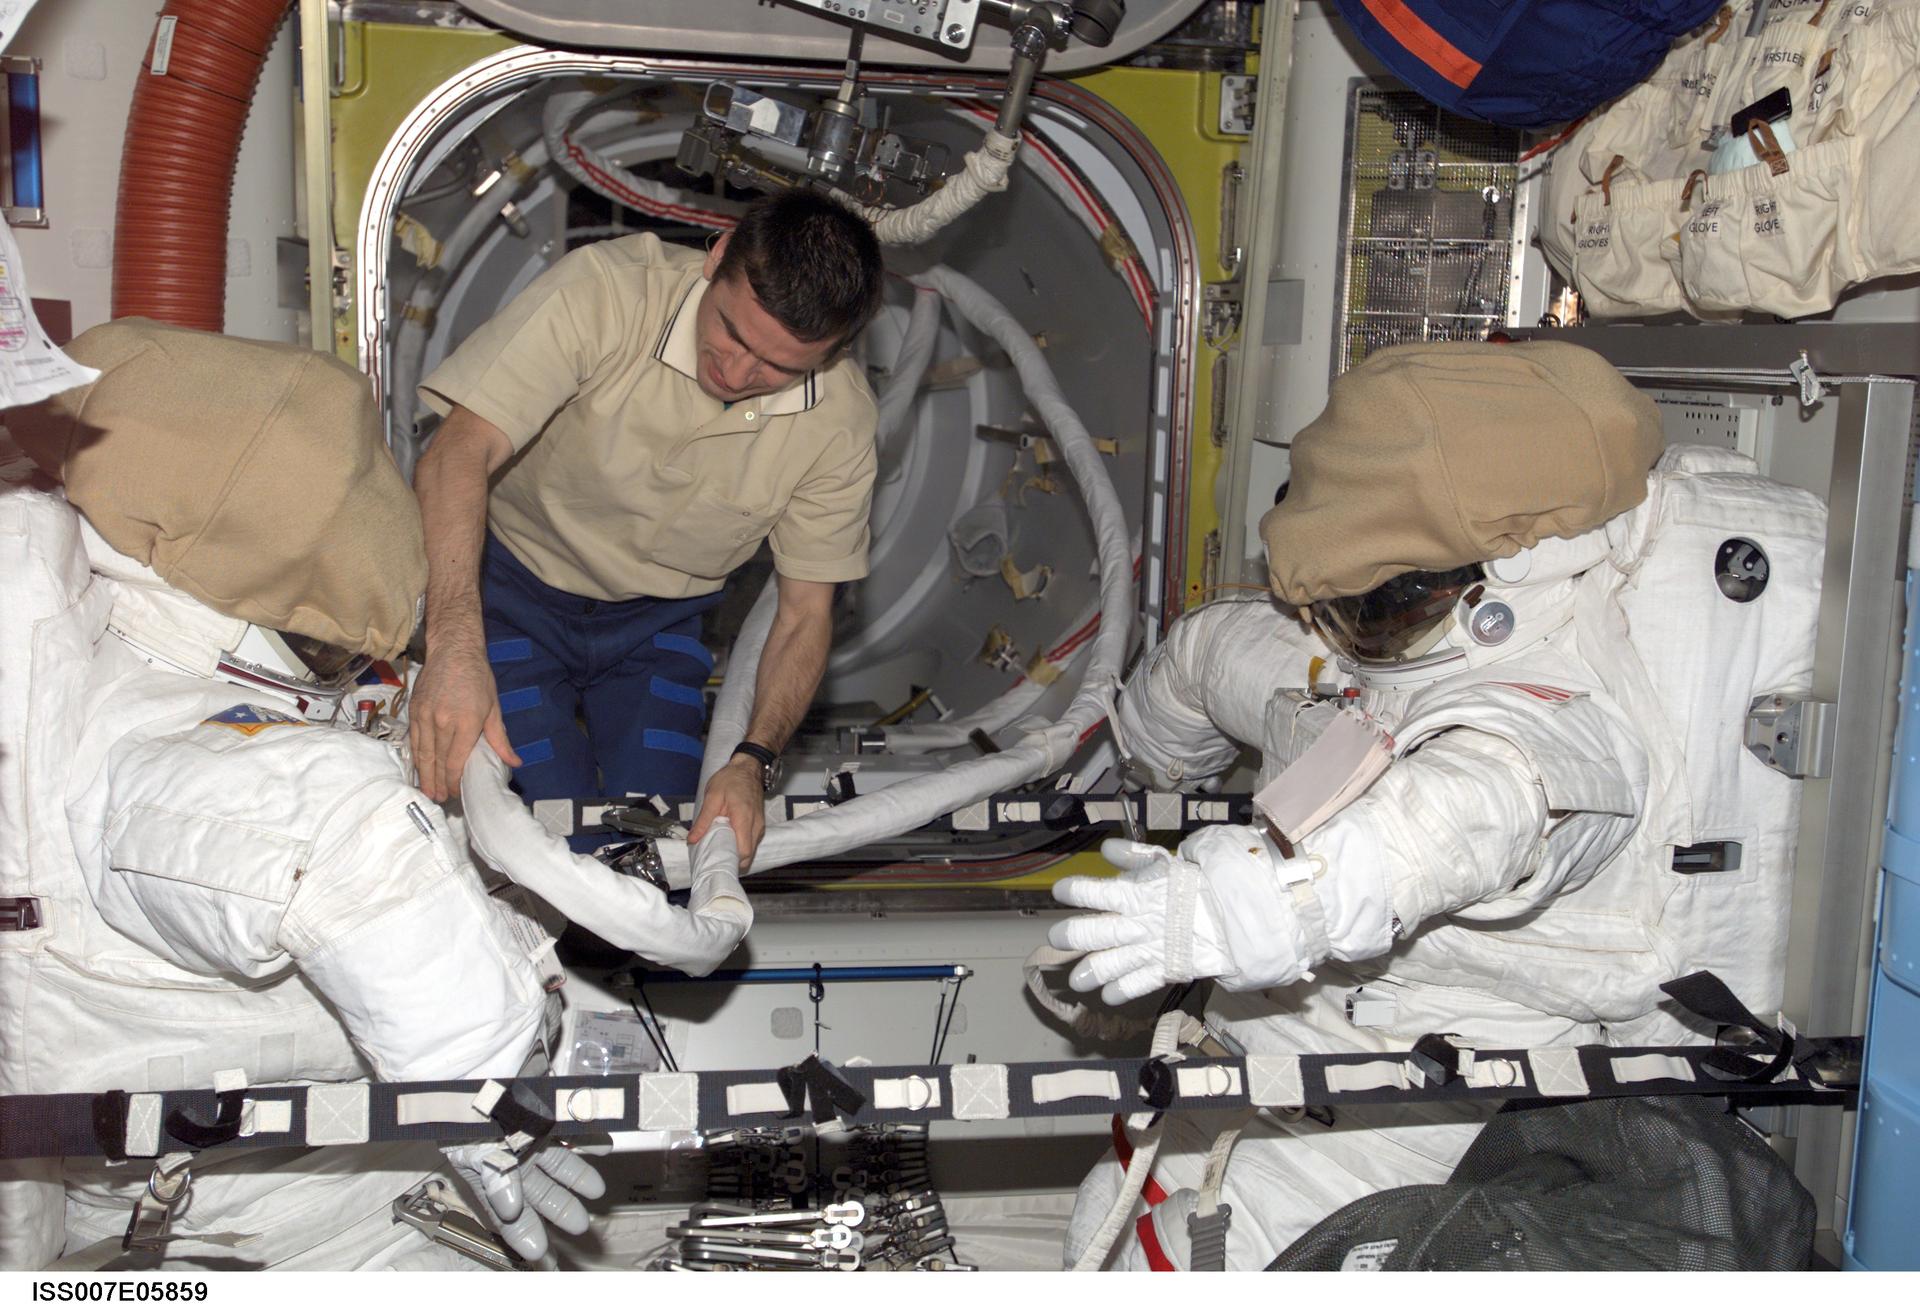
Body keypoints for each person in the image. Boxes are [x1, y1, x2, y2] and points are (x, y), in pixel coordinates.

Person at [1046, 340, 1826, 1269]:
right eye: (1334, 605)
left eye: (1381, 607)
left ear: (1502, 581)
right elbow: (1211, 656)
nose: (1344, 631)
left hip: (1398, 1117)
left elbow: (1462, 817)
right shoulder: (1368, 664)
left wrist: (1260, 907)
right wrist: (1149, 764)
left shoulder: (1558, 723)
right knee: (1106, 1213)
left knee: (1160, 1259)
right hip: (1259, 1048)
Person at [0, 321, 603, 1269]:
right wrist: (486, 1082)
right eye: (324, 639)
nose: (346, 659)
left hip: (337, 1166)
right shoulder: (155, 741)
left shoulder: (156, 662)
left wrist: (528, 973)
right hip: (278, 1221)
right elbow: (343, 840)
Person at [408, 189, 885, 864]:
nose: (737, 372)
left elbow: (806, 613)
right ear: (717, 257)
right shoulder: (605, 294)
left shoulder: (840, 424)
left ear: (834, 352)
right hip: (508, 592)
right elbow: (456, 453)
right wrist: (453, 650)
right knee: (542, 835)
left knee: (659, 847)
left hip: (657, 628)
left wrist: (753, 761)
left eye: (779, 367)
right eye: (733, 332)